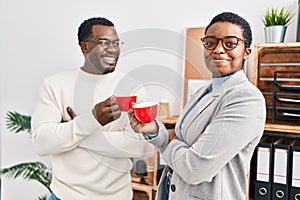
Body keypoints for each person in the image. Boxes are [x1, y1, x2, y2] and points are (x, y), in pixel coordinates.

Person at [128, 12, 266, 200]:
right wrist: (152, 129)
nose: (218, 50)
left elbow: (194, 168)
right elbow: (178, 138)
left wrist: (173, 143)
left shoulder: (246, 99)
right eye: (210, 42)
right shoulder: (203, 92)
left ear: (246, 52)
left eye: (230, 43)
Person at [31, 17, 153, 200]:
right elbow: (42, 143)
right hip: (66, 196)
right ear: (85, 47)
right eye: (104, 43)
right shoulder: (55, 85)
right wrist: (93, 119)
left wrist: (77, 129)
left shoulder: (132, 87)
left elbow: (140, 146)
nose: (113, 49)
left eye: (116, 43)